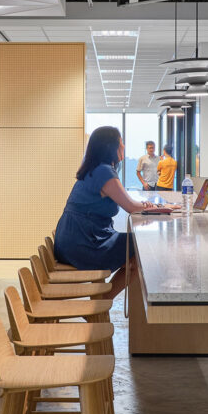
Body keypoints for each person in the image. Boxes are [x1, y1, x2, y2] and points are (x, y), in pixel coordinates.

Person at [54, 126, 172, 300]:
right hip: (83, 243)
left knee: (133, 247)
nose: (123, 146)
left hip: (70, 240)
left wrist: (147, 206)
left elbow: (129, 203)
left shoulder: (94, 169)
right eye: (121, 142)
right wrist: (159, 208)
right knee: (140, 248)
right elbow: (131, 206)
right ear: (111, 147)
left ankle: (101, 300)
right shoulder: (104, 171)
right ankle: (102, 301)